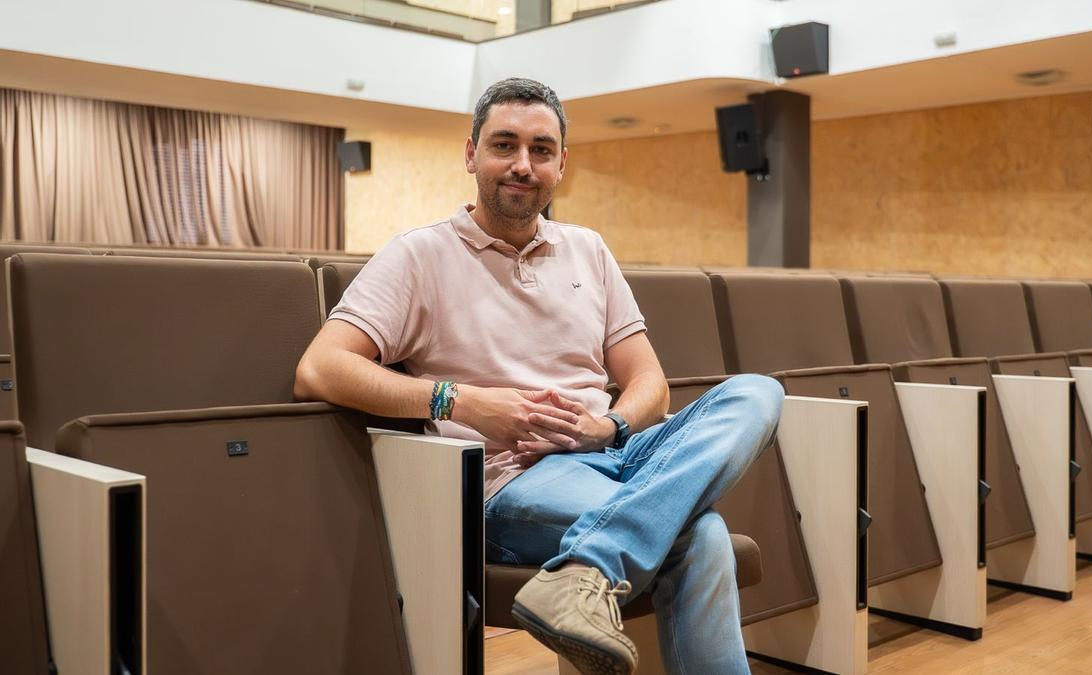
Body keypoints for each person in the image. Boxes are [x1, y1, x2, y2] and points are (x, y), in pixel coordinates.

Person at [294, 77, 783, 675]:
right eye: (505, 145)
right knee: (700, 536)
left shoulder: (588, 249)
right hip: (511, 480)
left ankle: (586, 569)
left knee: (758, 392)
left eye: (541, 150)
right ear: (471, 153)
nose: (523, 165)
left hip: (614, 452)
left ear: (561, 164)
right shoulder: (418, 256)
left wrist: (607, 426)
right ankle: (594, 566)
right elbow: (321, 369)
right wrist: (463, 402)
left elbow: (650, 384)